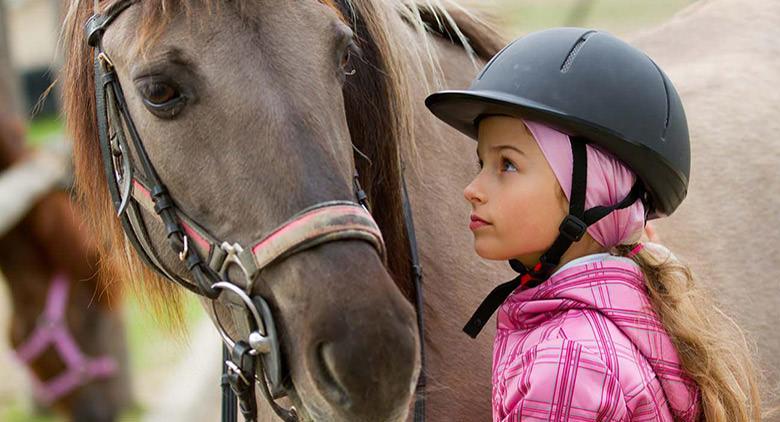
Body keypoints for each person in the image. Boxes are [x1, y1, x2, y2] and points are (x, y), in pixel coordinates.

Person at [426, 28, 761, 421]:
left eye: (508, 164)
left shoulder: (567, 363)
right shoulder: (634, 314)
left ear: (593, 192)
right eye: (481, 163)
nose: (472, 189)